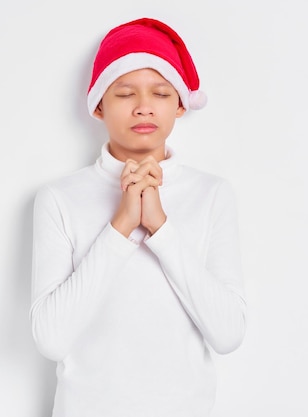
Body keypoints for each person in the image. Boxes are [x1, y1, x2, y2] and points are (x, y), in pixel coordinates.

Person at [30, 17, 247, 417]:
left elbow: (228, 333)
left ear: (180, 104)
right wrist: (121, 226)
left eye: (161, 93)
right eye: (125, 92)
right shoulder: (60, 199)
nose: (144, 106)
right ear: (98, 106)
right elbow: (52, 339)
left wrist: (161, 228)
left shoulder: (211, 194)